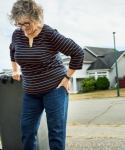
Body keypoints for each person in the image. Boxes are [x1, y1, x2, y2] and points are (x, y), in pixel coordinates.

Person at [8, 0, 84, 150]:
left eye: (26, 23)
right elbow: (12, 50)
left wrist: (67, 77)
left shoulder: (49, 34)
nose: (23, 28)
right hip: (30, 91)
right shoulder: (17, 34)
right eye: (19, 24)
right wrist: (15, 69)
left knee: (56, 132)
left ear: (36, 18)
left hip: (54, 88)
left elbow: (78, 52)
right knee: (27, 130)